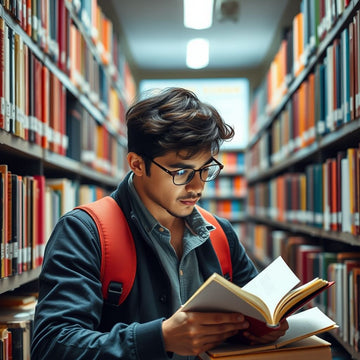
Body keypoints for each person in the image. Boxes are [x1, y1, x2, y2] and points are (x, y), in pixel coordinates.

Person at [31, 87, 288, 360]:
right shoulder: (84, 232)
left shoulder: (221, 234)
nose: (197, 187)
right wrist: (160, 339)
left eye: (206, 169)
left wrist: (263, 328)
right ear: (137, 164)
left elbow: (253, 315)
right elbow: (52, 345)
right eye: (181, 171)